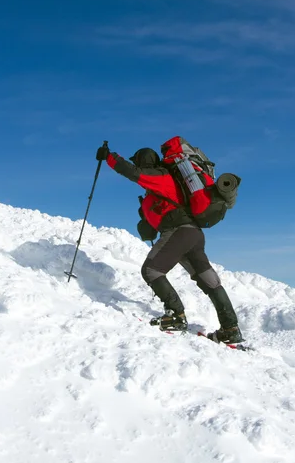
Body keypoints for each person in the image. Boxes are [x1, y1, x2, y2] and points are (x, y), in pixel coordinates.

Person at [96, 144, 243, 344]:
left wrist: (109, 157)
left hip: (180, 232)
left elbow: (133, 172)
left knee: (151, 271)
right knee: (209, 281)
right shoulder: (157, 190)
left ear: (142, 161)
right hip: (192, 235)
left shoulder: (161, 176)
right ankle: (230, 328)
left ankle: (176, 316)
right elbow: (159, 215)